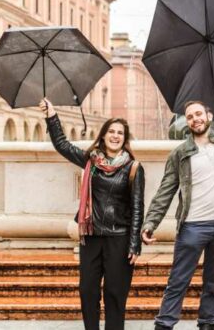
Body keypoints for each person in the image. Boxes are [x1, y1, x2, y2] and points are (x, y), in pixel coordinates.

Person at [142, 51, 214, 330]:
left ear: (209, 116)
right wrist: (150, 222)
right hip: (193, 227)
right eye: (190, 116)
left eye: (199, 114)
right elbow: (165, 191)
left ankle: (207, 324)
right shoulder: (181, 153)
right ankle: (165, 324)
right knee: (178, 281)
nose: (195, 119)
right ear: (187, 122)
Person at [41, 98, 145, 330]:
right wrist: (52, 115)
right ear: (103, 135)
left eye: (120, 133)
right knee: (87, 291)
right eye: (111, 131)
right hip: (91, 236)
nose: (115, 135)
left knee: (115, 294)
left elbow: (138, 207)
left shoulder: (134, 168)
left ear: (125, 139)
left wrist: (135, 244)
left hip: (119, 237)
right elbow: (61, 144)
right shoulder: (91, 161)